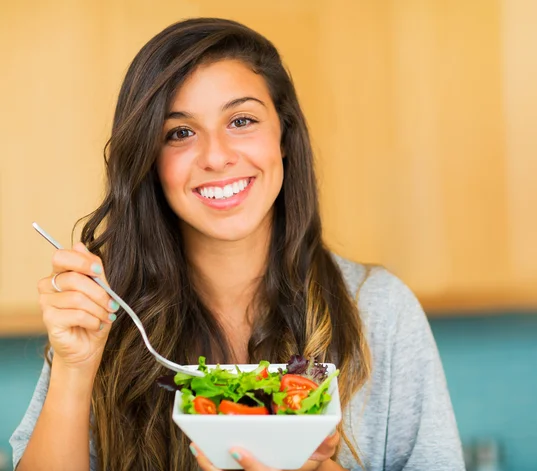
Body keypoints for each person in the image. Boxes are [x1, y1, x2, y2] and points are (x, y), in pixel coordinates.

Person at [10, 18, 464, 471]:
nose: (216, 156)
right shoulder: (103, 317)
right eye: (180, 133)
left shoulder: (378, 310)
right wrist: (75, 369)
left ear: (284, 136)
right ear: (149, 158)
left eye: (241, 120)